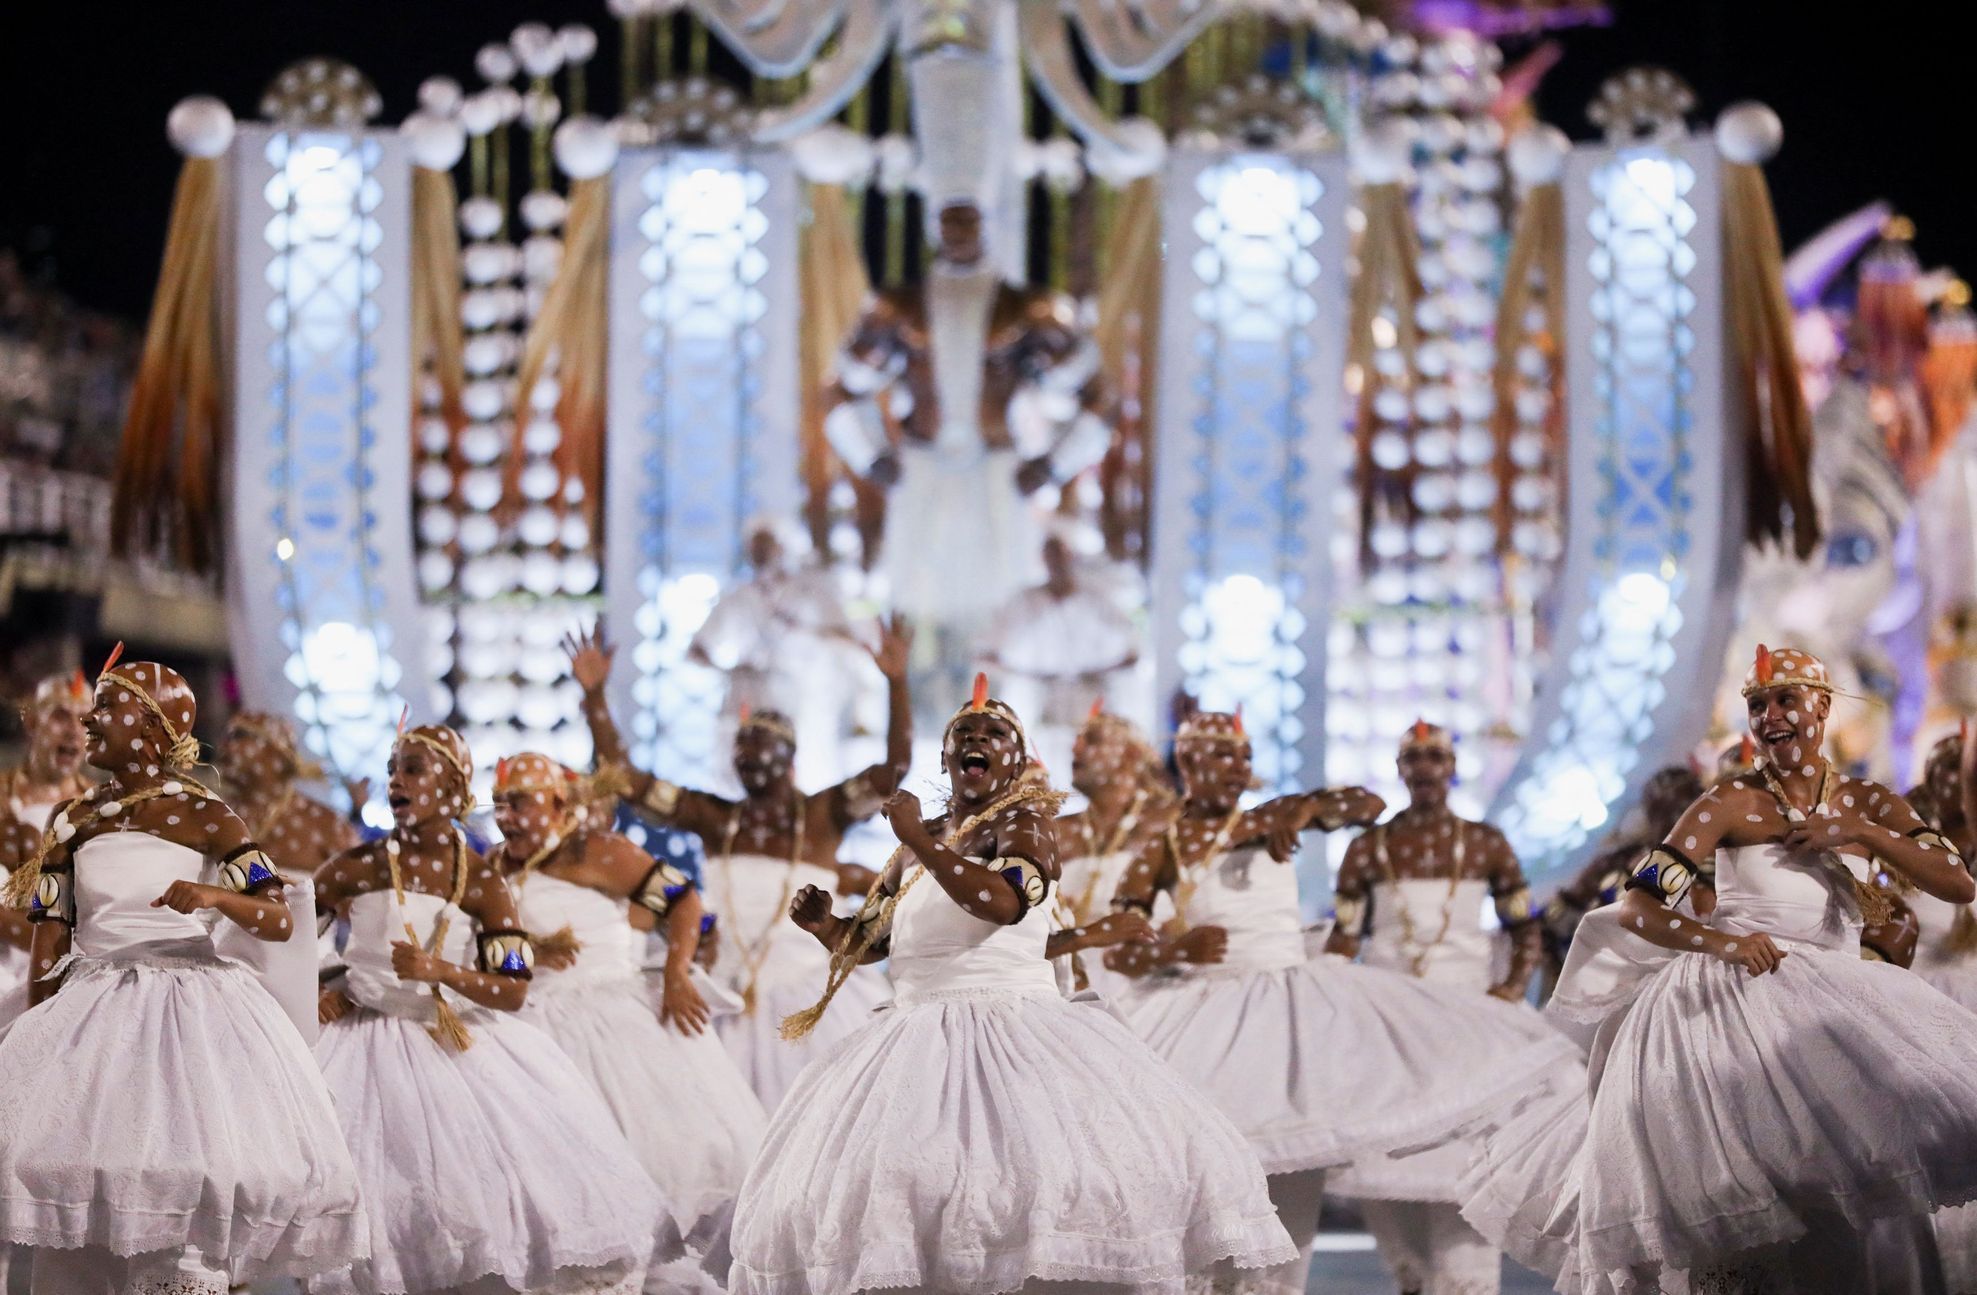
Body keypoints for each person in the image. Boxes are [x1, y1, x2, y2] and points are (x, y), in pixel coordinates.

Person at [726, 678, 1296, 1293]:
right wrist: (825, 926)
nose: (977, 739)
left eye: (994, 733)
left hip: (1013, 1031)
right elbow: (869, 944)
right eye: (964, 733)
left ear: (1017, 759)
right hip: (912, 1040)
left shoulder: (1026, 825)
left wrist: (919, 841)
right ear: (946, 757)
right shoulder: (913, 849)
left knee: (1027, 1183)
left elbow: (1003, 903)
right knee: (905, 1188)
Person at [1522, 645, 1977, 1290]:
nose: (1770, 717)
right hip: (1728, 1009)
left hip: (1837, 1014)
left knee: (1840, 1206)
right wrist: (1723, 943)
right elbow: (1638, 906)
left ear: (1822, 707)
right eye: (1758, 705)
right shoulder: (1728, 803)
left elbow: (1957, 883)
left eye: (1786, 700)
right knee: (1738, 1213)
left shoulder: (1870, 802)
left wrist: (1860, 833)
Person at [1104, 710, 1577, 1295]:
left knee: (1299, 1155)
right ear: (1188, 761)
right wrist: (1175, 948)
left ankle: (1288, 1286)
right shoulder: (1163, 846)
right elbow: (1119, 948)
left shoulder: (1273, 817)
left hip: (1290, 1013)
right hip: (1203, 1019)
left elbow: (1364, 804)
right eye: (1223, 755)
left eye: (1245, 756)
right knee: (1204, 1162)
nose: (1238, 768)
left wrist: (1306, 809)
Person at [0, 652, 366, 1294]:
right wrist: (39, 1042)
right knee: (79, 1182)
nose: (90, 719)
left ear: (152, 726)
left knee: (181, 1168)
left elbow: (277, 918)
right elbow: (49, 936)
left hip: (188, 1019)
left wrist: (215, 896)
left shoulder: (207, 814)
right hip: (93, 1013)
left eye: (107, 706)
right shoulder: (73, 821)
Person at [312, 723, 667, 1295]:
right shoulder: (355, 866)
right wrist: (326, 982)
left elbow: (513, 989)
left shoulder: (482, 881)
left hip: (453, 1048)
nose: (396, 781)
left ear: (454, 788)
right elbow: (291, 933)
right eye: (392, 769)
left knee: (462, 1201)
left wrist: (443, 973)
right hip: (361, 1048)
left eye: (413, 769)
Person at [568, 618, 911, 1109]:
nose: (746, 756)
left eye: (760, 746)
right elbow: (625, 780)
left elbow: (894, 770)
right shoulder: (714, 817)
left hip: (812, 996)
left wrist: (896, 682)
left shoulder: (824, 814)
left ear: (789, 757)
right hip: (728, 995)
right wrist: (595, 697)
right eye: (740, 747)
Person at [489, 752, 767, 1283]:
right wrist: (529, 954)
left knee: (643, 1166)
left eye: (519, 803)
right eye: (499, 804)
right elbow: (495, 956)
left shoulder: (596, 851)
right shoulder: (493, 867)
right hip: (529, 1029)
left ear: (556, 803)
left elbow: (682, 901)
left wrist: (676, 974)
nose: (506, 817)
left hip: (610, 1025)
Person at [1323, 720, 1544, 1295]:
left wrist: (1510, 990)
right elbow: (1343, 939)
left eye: (1434, 758)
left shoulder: (1486, 842)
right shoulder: (1367, 848)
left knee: (1466, 1159)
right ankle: (1410, 1273)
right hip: (1388, 1023)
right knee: (1381, 1159)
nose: (1424, 769)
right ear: (1399, 770)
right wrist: (1323, 992)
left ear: (1451, 768)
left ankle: (1467, 1282)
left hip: (1469, 1020)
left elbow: (1525, 928)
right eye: (1413, 758)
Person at [687, 518, 870, 788]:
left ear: (782, 547)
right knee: (740, 766)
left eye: (767, 544)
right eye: (755, 545)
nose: (761, 552)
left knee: (801, 768)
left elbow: (848, 638)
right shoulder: (739, 595)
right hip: (747, 694)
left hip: (798, 694)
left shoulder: (809, 591)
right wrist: (728, 670)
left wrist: (804, 632)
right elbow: (696, 650)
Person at [1047, 704, 1174, 996]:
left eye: (1091, 740)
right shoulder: (1056, 831)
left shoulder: (1170, 821)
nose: (1076, 748)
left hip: (1150, 982)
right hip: (1068, 982)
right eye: (1077, 740)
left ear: (1131, 754)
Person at [978, 532, 1141, 759]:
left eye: (1061, 555)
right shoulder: (1023, 602)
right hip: (1035, 699)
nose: (1056, 563)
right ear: (1042, 560)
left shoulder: (1096, 600)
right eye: (1051, 556)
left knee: (1094, 756)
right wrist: (1024, 675)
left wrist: (1096, 673)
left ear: (1071, 557)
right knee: (1029, 757)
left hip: (1087, 696)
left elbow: (1131, 653)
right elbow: (986, 653)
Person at [1541, 764, 1707, 983]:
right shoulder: (1616, 862)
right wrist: (1559, 971)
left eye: (1682, 808)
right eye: (1663, 810)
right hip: (1594, 978)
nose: (1673, 819)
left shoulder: (1709, 866)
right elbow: (1555, 922)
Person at [0, 670, 93, 1021]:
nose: (74, 731)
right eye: (61, 716)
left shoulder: (99, 809)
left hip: (75, 964)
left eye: (84, 720)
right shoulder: (3, 797)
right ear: (32, 723)